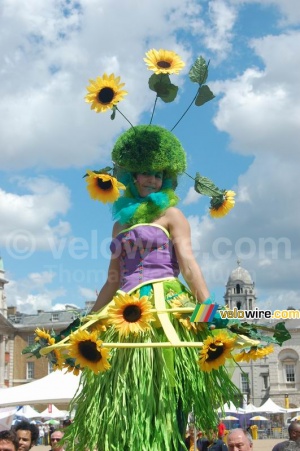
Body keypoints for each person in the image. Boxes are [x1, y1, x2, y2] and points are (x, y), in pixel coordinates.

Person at [24, 49, 291, 451]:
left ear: (165, 175)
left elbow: (190, 266)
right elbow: (113, 279)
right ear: (129, 175)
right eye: (142, 172)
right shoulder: (119, 222)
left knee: (164, 394)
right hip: (126, 310)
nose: (149, 178)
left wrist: (212, 317)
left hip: (164, 303)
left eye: (157, 172)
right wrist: (85, 324)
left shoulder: (172, 215)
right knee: (125, 393)